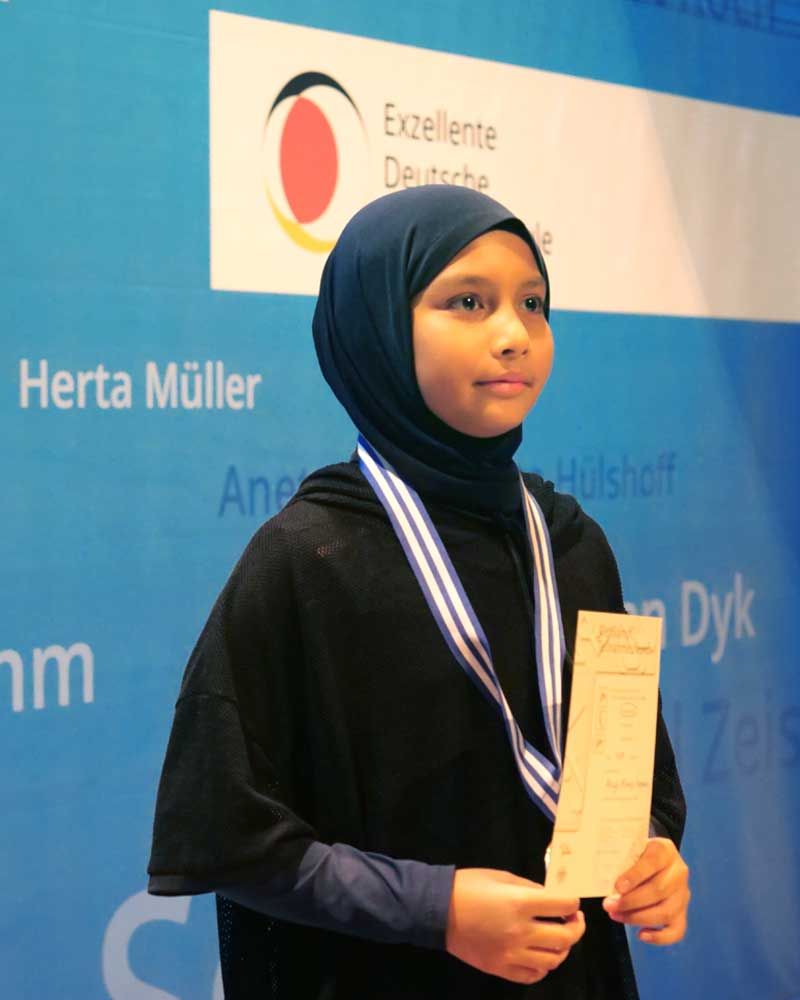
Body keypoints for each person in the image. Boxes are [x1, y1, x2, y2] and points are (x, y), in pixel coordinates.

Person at [147, 185, 689, 998]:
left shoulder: (571, 544)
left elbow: (633, 779)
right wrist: (433, 908)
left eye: (533, 304)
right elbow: (230, 837)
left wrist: (649, 857)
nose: (515, 335)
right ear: (376, 329)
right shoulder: (307, 559)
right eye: (467, 301)